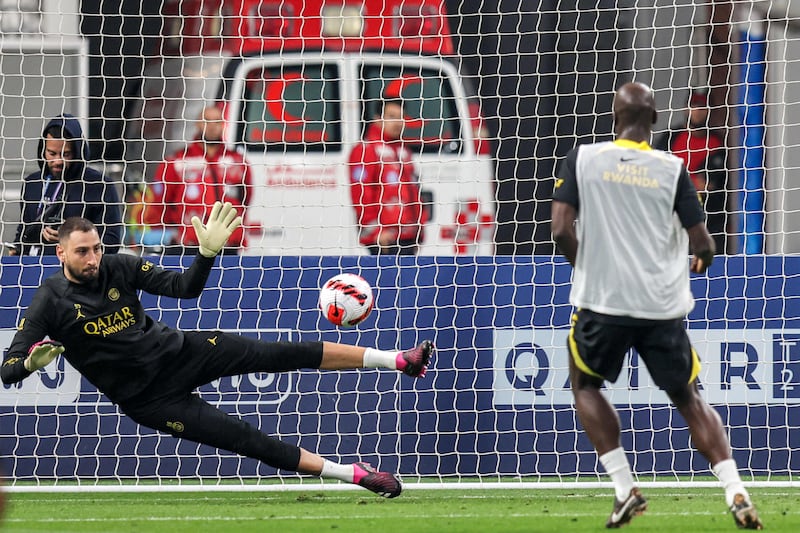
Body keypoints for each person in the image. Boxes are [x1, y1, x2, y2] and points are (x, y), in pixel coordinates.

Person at [0, 202, 433, 498]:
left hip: (182, 352)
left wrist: (206, 253)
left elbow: (184, 289)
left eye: (96, 247)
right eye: (82, 252)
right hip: (150, 399)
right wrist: (30, 364)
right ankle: (354, 475)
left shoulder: (119, 265)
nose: (93, 257)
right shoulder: (48, 303)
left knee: (277, 354)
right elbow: (8, 370)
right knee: (247, 439)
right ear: (60, 254)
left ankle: (398, 360)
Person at [551, 82, 762, 529]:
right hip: (660, 306)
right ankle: (734, 488)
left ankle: (626, 488)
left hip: (603, 301)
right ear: (654, 119)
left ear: (614, 118)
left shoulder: (584, 158)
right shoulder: (674, 168)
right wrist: (698, 261)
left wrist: (587, 268)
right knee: (688, 397)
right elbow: (704, 244)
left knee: (585, 385)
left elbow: (560, 230)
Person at [141, 105, 251, 255]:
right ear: (198, 124)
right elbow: (160, 203)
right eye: (207, 121)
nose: (212, 127)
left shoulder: (237, 160)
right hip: (190, 244)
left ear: (223, 124)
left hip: (228, 243)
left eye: (217, 122)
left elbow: (246, 198)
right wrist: (167, 235)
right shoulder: (178, 161)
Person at [9, 114, 122, 257]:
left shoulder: (100, 185)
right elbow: (24, 231)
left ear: (77, 151)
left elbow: (112, 241)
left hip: (81, 272)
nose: (58, 161)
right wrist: (16, 250)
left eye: (65, 154)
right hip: (34, 267)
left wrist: (72, 240)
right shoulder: (32, 183)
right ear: (43, 151)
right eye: (52, 153)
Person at [349, 98, 428, 255]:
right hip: (383, 238)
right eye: (391, 117)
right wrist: (375, 231)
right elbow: (361, 195)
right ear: (378, 118)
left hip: (408, 236)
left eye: (401, 117)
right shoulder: (366, 149)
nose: (398, 123)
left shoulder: (403, 151)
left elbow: (414, 192)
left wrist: (419, 229)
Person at [654, 90, 729, 253]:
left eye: (702, 107)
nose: (697, 111)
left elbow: (707, 184)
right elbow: (657, 173)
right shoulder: (670, 138)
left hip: (707, 220)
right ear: (685, 109)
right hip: (671, 216)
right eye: (693, 106)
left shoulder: (717, 143)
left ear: (710, 110)